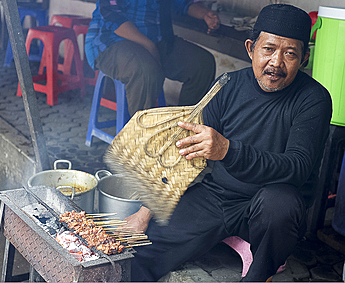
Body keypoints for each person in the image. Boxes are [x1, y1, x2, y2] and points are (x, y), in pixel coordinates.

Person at [123, 3, 333, 282]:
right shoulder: (227, 85)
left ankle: (262, 272)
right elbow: (184, 151)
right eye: (268, 49)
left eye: (290, 53)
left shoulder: (313, 99)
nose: (276, 62)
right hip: (218, 197)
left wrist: (228, 150)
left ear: (304, 58)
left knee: (280, 205)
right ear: (250, 48)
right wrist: (144, 213)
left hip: (267, 207)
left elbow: (298, 166)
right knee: (145, 251)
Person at [85, 0, 220, 116]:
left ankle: (182, 132)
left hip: (158, 41)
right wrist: (148, 45)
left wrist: (205, 14)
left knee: (202, 64)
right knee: (145, 71)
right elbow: (111, 15)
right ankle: (141, 140)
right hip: (112, 41)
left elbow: (183, 3)